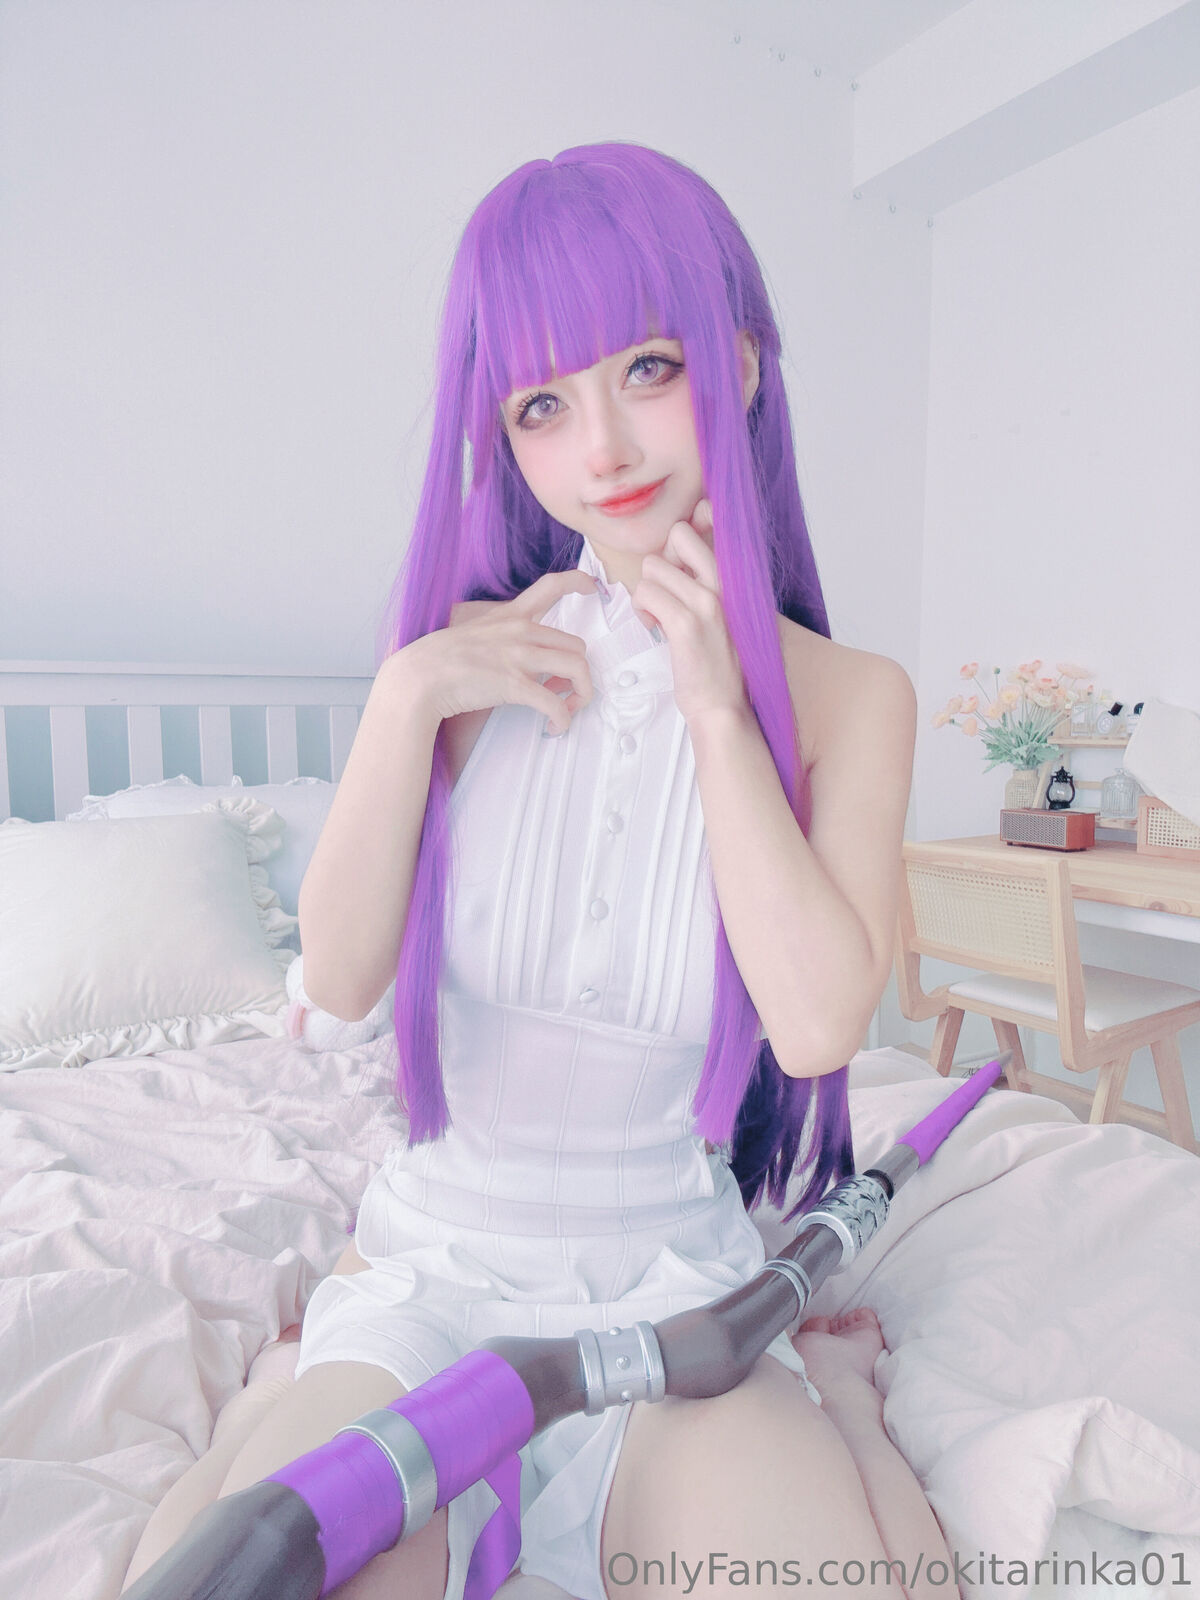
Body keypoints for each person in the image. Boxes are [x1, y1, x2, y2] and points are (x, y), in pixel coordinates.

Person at [123, 142, 953, 1600]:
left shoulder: (849, 696)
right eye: (542, 406)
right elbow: (337, 980)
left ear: (741, 364)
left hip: (677, 1295)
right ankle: (294, 1381)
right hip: (430, 1276)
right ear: (502, 435)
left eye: (649, 368)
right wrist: (402, 702)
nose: (605, 451)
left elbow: (821, 1026)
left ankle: (847, 1406)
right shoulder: (465, 663)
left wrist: (717, 709)